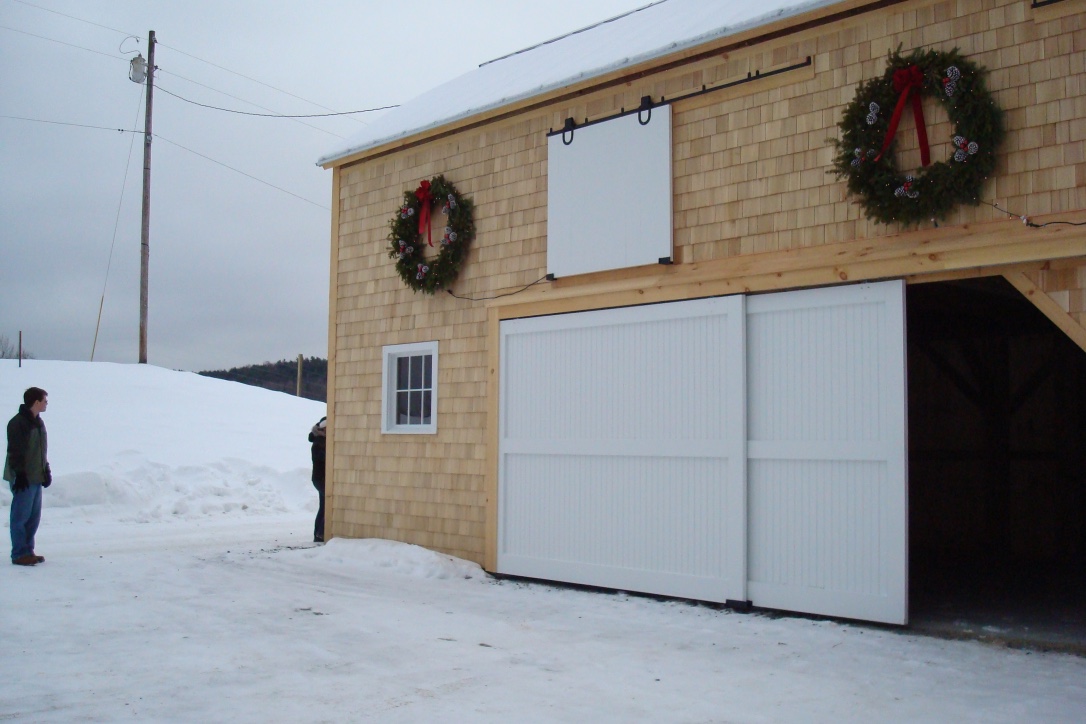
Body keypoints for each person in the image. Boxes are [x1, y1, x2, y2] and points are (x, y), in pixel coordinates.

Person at [4, 387, 52, 566]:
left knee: (33, 517)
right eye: (45, 401)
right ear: (36, 402)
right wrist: (20, 474)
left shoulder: (38, 422)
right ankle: (19, 553)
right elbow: (15, 451)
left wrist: (45, 470)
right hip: (24, 477)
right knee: (20, 516)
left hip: (35, 476)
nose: (46, 404)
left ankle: (28, 550)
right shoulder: (18, 423)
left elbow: (40, 450)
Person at [309, 416, 327, 543]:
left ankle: (318, 534)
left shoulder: (320, 441)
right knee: (328, 504)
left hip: (320, 478)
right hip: (320, 478)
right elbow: (325, 458)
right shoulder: (319, 443)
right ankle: (320, 533)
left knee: (323, 505)